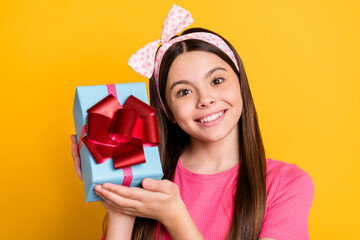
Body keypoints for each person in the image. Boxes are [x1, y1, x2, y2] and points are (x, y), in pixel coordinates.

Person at [70, 4, 314, 240]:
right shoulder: (147, 182)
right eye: (183, 92)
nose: (205, 99)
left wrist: (175, 216)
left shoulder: (287, 184)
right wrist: (121, 208)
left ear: (240, 84)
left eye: (217, 81)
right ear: (168, 111)